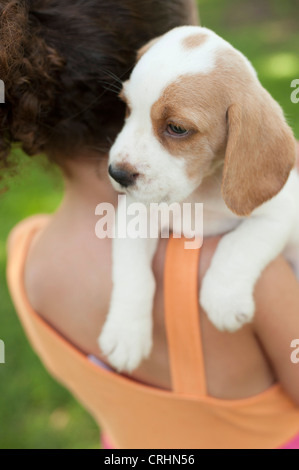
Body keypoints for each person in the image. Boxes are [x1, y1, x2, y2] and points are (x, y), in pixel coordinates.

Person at [2, 0, 299, 449]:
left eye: (176, 129)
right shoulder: (264, 284)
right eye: (127, 108)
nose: (122, 158)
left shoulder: (27, 259)